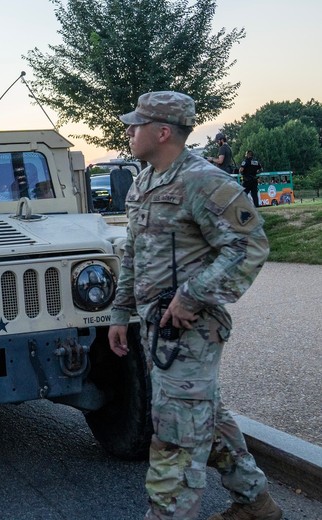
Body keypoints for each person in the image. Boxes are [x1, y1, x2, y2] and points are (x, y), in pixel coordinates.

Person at [109, 92, 282, 520]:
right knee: (208, 417)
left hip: (193, 329)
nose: (129, 131)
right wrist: (119, 312)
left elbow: (249, 244)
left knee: (175, 432)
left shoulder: (205, 181)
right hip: (155, 326)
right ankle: (256, 504)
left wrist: (193, 294)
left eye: (137, 124)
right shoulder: (143, 182)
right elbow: (133, 252)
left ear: (162, 131)